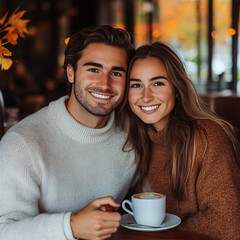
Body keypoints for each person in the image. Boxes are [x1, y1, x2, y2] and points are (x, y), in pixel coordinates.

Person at [0, 24, 137, 240]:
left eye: (117, 73)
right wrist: (70, 226)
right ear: (71, 72)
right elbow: (3, 231)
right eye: (93, 69)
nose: (105, 83)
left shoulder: (132, 137)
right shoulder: (22, 144)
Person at [123, 42, 240, 240]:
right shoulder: (135, 137)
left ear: (176, 88)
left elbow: (227, 223)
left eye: (157, 83)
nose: (146, 96)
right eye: (136, 85)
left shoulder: (207, 136)